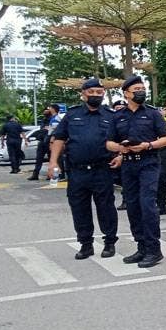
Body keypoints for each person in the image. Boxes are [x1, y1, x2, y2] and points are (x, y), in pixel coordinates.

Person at [106, 74, 166, 268]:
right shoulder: (117, 116)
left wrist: (147, 145)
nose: (141, 92)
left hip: (149, 163)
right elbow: (109, 143)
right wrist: (121, 148)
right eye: (137, 90)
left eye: (143, 89)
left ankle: (154, 249)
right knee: (133, 206)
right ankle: (141, 246)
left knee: (147, 205)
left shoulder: (152, 114)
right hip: (128, 164)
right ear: (126, 93)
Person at [49, 78, 119, 259]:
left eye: (99, 92)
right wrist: (53, 162)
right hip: (77, 171)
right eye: (91, 92)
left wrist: (120, 156)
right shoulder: (72, 115)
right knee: (79, 208)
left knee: (106, 208)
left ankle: (109, 242)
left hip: (102, 169)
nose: (95, 95)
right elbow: (59, 139)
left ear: (103, 94)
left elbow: (121, 141)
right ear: (83, 94)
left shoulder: (111, 116)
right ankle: (86, 244)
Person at [29, 104, 60, 181]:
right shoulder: (44, 119)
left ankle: (54, 176)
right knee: (39, 158)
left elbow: (54, 130)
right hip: (43, 141)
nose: (45, 111)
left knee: (53, 159)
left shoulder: (54, 118)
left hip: (51, 141)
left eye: (48, 109)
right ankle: (35, 174)